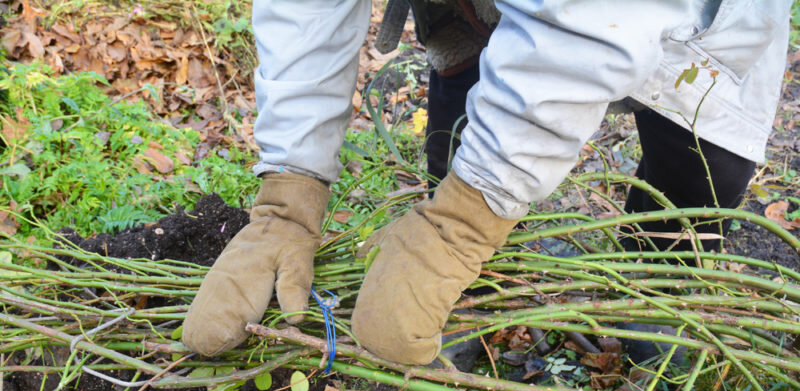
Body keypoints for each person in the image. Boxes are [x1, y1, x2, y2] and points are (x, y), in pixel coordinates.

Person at [181, 0, 791, 366]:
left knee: (698, 160)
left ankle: (654, 301)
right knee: (464, 96)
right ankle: (476, 299)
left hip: (692, 21)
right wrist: (290, 192)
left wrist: (464, 221)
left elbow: (592, 20)